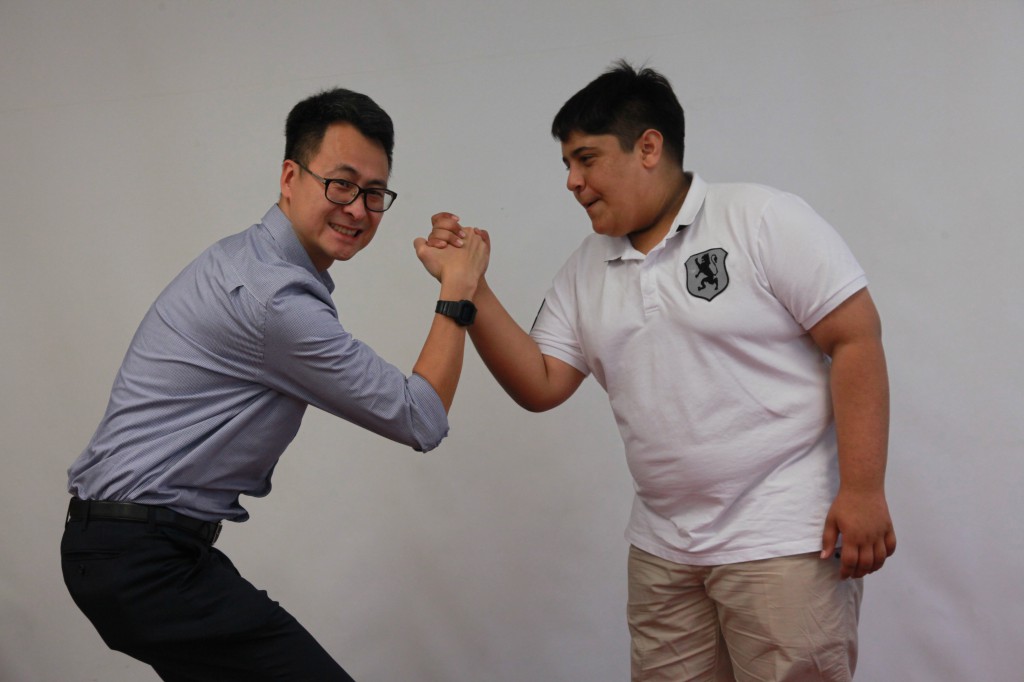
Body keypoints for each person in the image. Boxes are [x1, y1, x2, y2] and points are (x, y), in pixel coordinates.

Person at [427, 61, 896, 682]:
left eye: (586, 159)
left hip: (783, 539)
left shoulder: (759, 218)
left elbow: (855, 337)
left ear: (648, 147)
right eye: (566, 164)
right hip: (663, 552)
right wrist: (470, 286)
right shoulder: (585, 268)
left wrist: (863, 491)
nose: (572, 181)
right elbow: (540, 383)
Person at [61, 87, 489, 681]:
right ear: (290, 178)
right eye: (340, 184)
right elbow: (420, 418)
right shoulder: (271, 299)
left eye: (374, 193)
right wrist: (458, 289)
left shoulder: (253, 263)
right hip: (142, 560)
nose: (358, 209)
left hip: (134, 551)